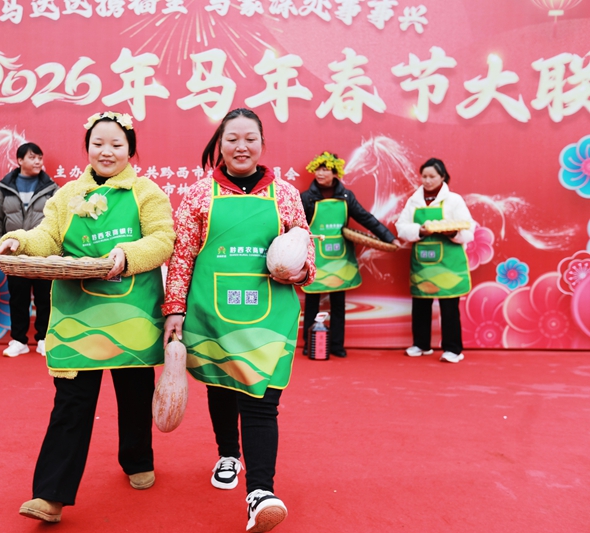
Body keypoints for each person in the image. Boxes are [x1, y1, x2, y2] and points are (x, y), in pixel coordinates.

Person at [0, 111, 175, 523]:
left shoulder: (146, 191)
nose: (106, 152)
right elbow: (48, 237)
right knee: (71, 403)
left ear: (131, 148)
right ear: (87, 148)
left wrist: (126, 255)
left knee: (134, 393)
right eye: (98, 144)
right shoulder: (66, 195)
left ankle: (136, 458)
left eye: (116, 144)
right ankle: (50, 494)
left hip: (131, 313)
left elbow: (163, 238)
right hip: (78, 317)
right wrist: (19, 241)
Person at [162, 108, 314, 533]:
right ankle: (228, 452)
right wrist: (175, 307)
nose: (241, 146)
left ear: (262, 144)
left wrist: (301, 270)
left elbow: (306, 249)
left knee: (262, 398)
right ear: (220, 144)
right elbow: (182, 256)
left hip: (269, 313)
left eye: (250, 138)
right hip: (212, 310)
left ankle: (260, 492)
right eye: (232, 139)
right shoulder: (198, 194)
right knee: (222, 384)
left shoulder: (284, 194)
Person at [299, 151, 401, 357]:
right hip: (316, 258)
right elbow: (296, 225)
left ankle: (337, 345)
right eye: (318, 169)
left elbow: (366, 219)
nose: (320, 173)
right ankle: (310, 343)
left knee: (338, 304)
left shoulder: (346, 197)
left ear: (336, 173)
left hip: (340, 259)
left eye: (325, 169)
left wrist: (389, 238)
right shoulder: (306, 198)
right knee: (312, 303)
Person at [395, 158, 476, 363]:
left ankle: (453, 349)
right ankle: (421, 344)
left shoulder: (454, 200)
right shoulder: (414, 200)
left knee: (449, 306)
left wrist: (452, 232)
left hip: (448, 264)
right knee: (421, 304)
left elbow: (468, 230)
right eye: (424, 176)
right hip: (423, 263)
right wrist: (420, 230)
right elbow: (401, 226)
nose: (427, 180)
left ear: (442, 177)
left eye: (432, 176)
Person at [0, 142, 58, 357]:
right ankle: (19, 340)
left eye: (40, 157)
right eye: (32, 157)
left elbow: (59, 220)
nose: (38, 161)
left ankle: (44, 339)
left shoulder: (52, 188)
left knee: (45, 297)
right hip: (14, 255)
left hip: (43, 254)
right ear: (19, 160)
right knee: (18, 298)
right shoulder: (4, 187)